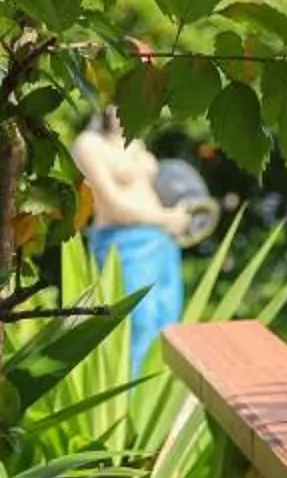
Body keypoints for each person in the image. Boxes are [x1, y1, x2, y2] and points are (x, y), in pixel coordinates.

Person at [72, 115, 218, 368]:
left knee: (168, 326)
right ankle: (129, 404)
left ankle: (158, 402)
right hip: (125, 242)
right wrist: (166, 218)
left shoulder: (135, 143)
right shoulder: (89, 144)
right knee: (137, 325)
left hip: (163, 242)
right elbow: (114, 204)